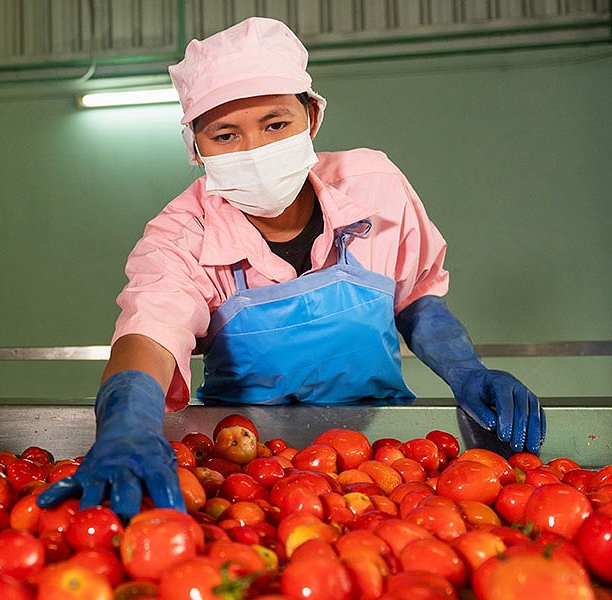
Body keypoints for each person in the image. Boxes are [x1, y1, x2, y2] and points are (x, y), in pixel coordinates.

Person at [39, 17, 544, 519]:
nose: (255, 151)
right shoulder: (182, 234)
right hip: (245, 462)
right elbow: (149, 331)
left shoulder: (374, 185)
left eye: (276, 124)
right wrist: (126, 420)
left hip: (383, 455)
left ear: (312, 119)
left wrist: (467, 372)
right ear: (196, 147)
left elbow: (415, 297)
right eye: (225, 135)